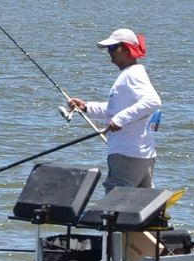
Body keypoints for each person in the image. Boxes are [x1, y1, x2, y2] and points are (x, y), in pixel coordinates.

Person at [66, 28, 162, 193]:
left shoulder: (132, 74)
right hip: (140, 156)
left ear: (126, 49)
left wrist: (120, 120)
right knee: (138, 209)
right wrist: (87, 107)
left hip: (127, 157)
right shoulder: (130, 74)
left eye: (112, 48)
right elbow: (115, 107)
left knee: (114, 207)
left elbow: (153, 101)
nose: (109, 53)